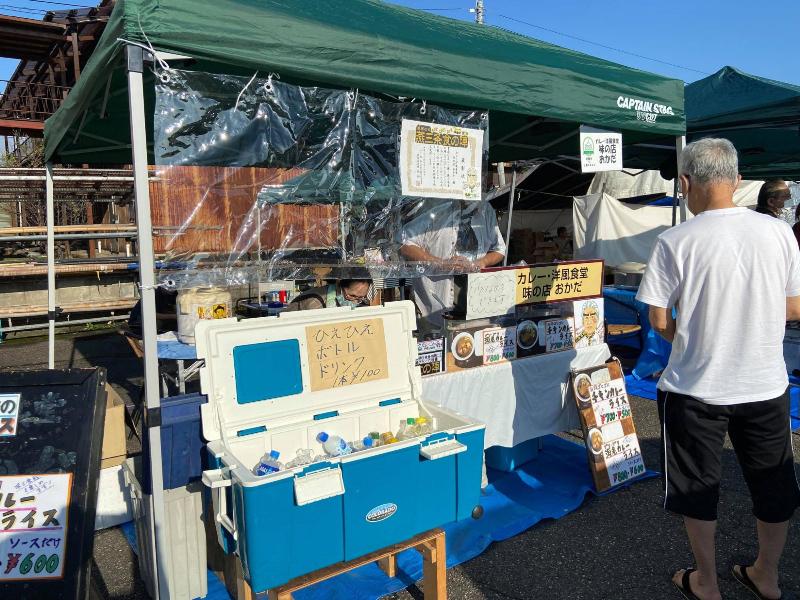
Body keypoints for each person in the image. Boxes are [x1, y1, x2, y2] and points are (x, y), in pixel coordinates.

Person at [636, 138, 800, 600]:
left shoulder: (675, 240)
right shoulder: (778, 232)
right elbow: (794, 308)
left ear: (686, 183)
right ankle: (766, 575)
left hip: (695, 387)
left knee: (697, 486)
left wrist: (698, 334)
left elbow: (658, 319)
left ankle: (706, 581)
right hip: (765, 384)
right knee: (773, 481)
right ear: (738, 179)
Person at [399, 199, 506, 329]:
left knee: (470, 344)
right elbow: (403, 244)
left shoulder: (485, 209)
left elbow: (500, 249)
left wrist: (481, 262)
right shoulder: (433, 207)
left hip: (475, 301)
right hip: (435, 302)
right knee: (437, 341)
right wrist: (440, 264)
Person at [284, 278, 371, 312]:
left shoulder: (358, 301)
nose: (355, 301)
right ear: (339, 286)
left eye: (360, 297)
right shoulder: (315, 302)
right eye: (352, 296)